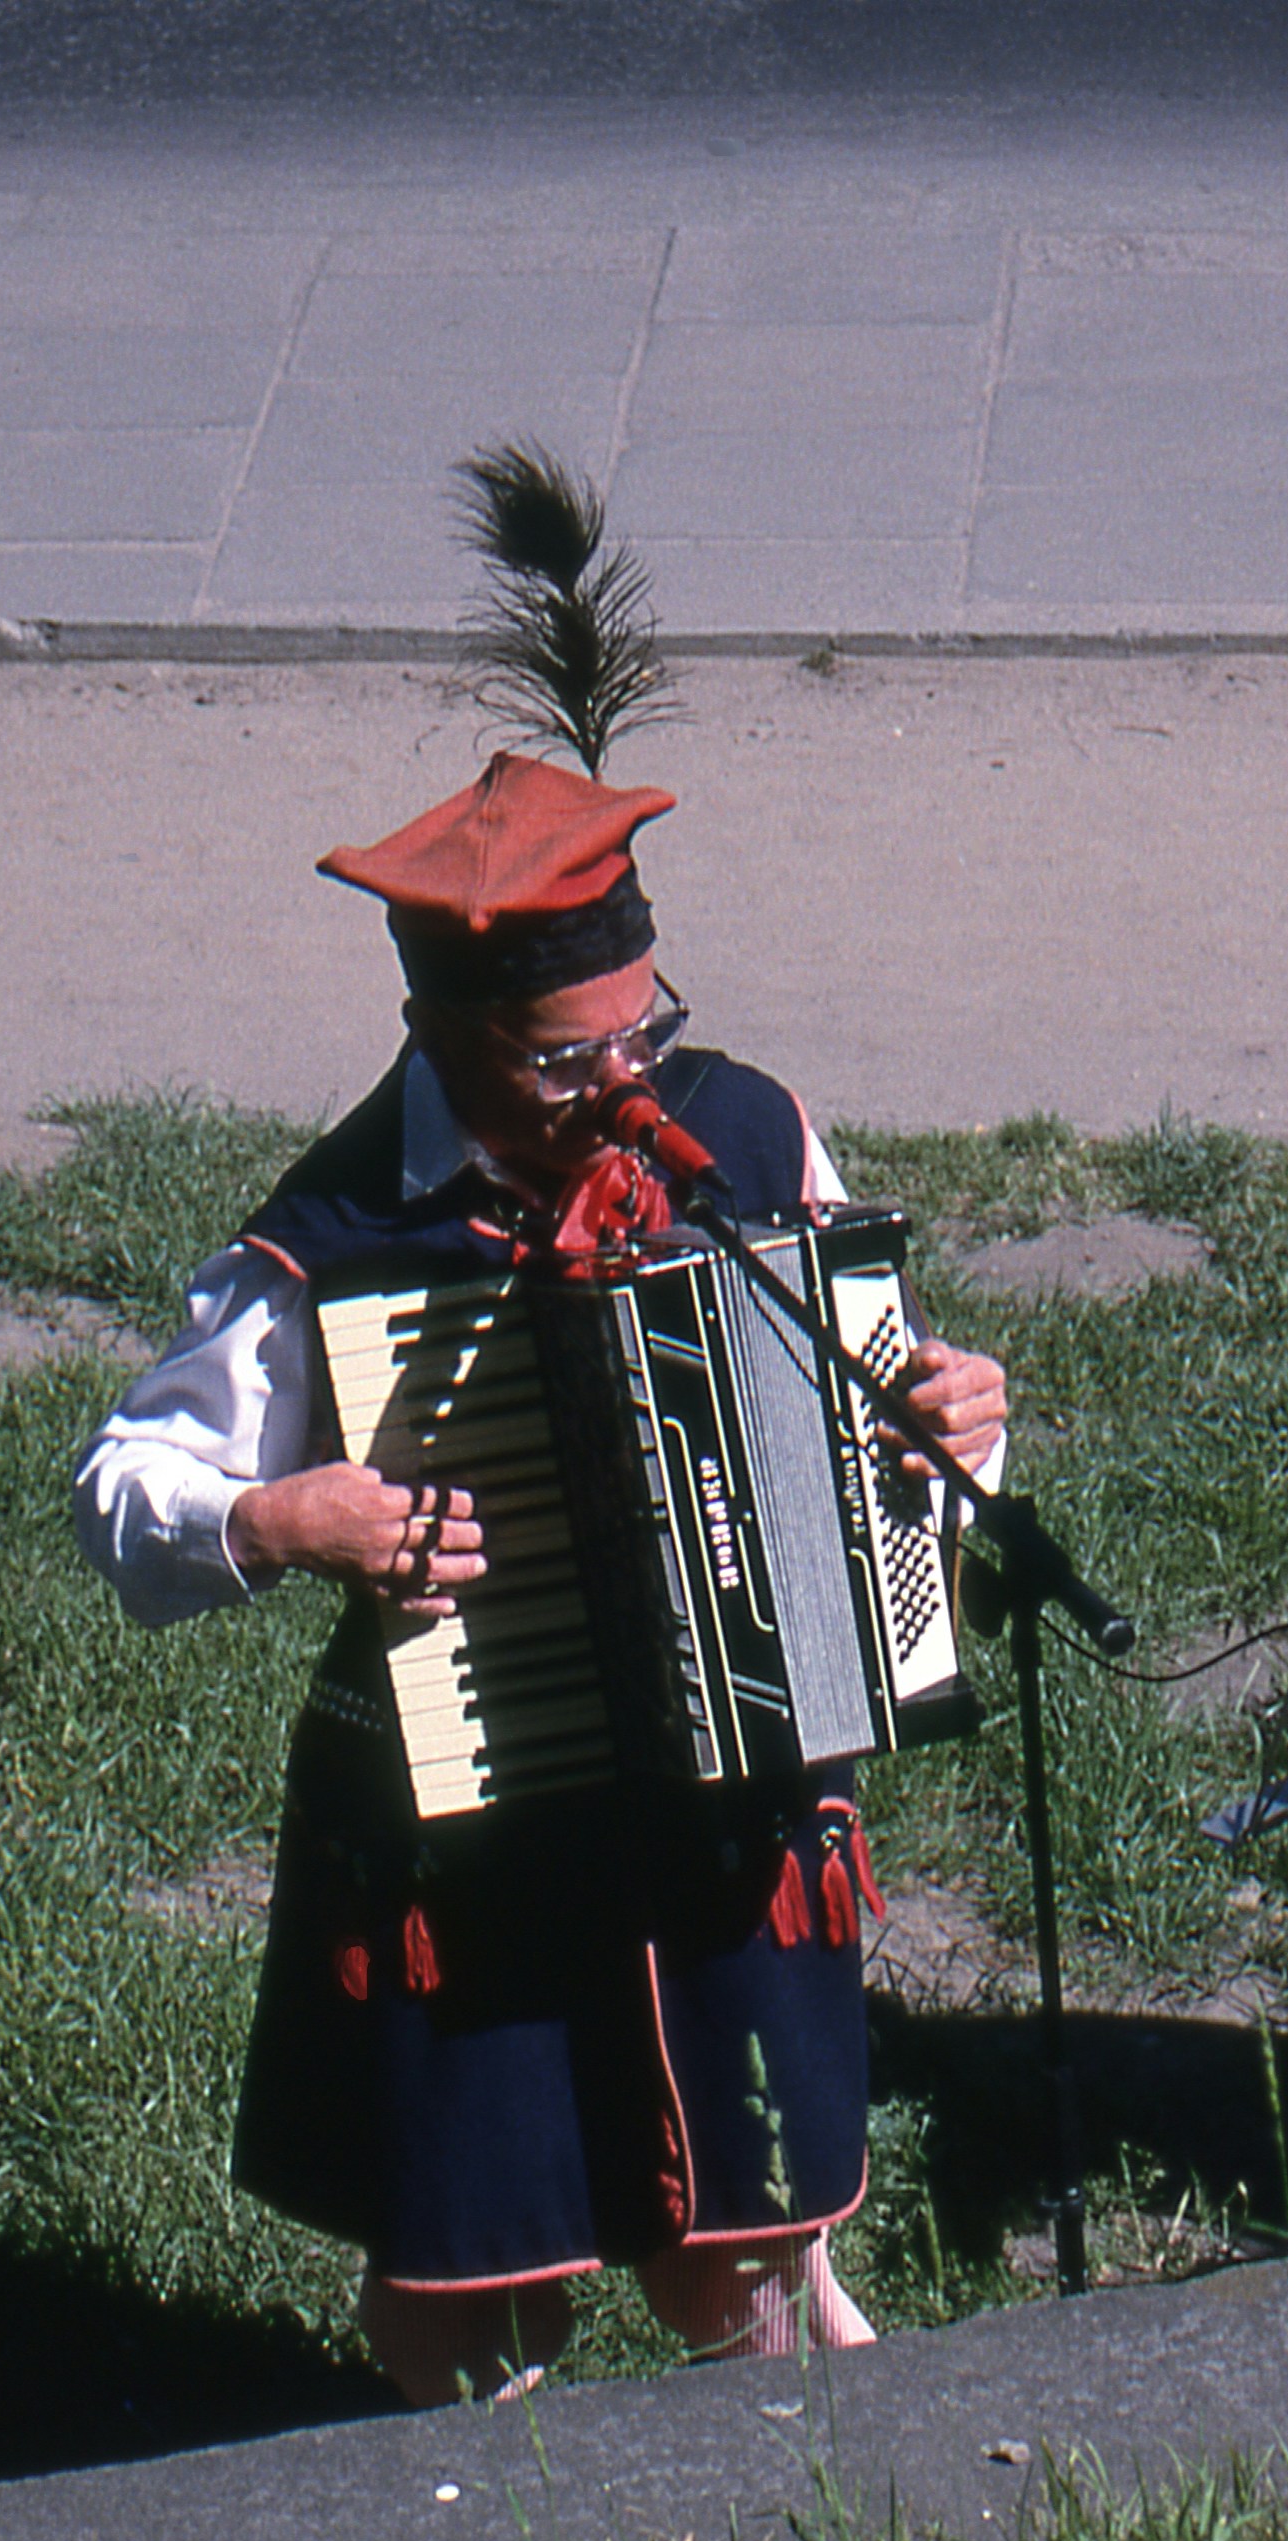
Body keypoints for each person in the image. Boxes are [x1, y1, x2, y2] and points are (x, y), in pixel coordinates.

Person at [72, 751, 1010, 2407]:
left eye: (648, 1037)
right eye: (572, 1058)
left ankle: (808, 2483)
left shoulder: (747, 1132)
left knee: (747, 2240)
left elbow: (883, 1392)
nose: (630, 1091)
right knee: (476, 2292)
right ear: (438, 1036)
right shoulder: (345, 1235)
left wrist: (944, 1417)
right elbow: (121, 1489)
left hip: (734, 1793)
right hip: (477, 1825)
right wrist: (287, 1522)